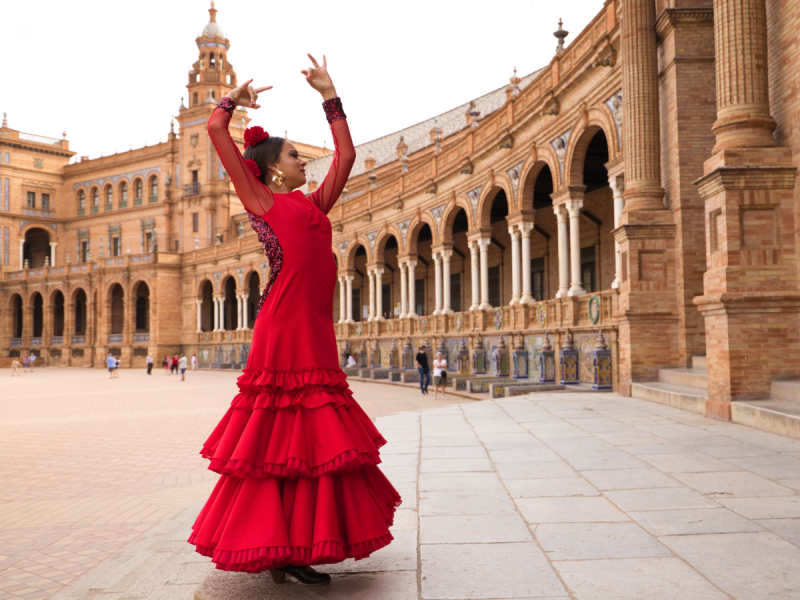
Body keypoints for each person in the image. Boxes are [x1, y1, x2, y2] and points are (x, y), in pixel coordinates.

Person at [189, 56, 399, 586]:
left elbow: (346, 154)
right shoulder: (259, 199)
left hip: (316, 331)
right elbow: (216, 130)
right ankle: (280, 548)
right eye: (295, 155)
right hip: (282, 328)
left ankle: (296, 547)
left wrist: (330, 96)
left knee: (311, 440)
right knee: (277, 440)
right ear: (273, 167)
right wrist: (232, 100)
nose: (304, 161)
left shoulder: (316, 205)